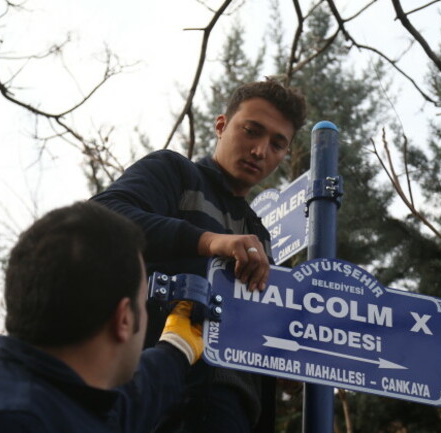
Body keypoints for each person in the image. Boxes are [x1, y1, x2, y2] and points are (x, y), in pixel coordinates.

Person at [91, 79, 307, 433]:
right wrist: (208, 241)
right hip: (162, 390)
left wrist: (282, 367)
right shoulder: (176, 173)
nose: (260, 151)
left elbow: (256, 331)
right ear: (221, 125)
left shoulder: (261, 237)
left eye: (277, 144)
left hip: (237, 412)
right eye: (251, 131)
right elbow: (101, 218)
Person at [0, 201, 204, 433]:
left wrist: (176, 348)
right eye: (143, 303)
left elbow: (124, 406)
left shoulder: (32, 396)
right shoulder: (11, 423)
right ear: (124, 319)